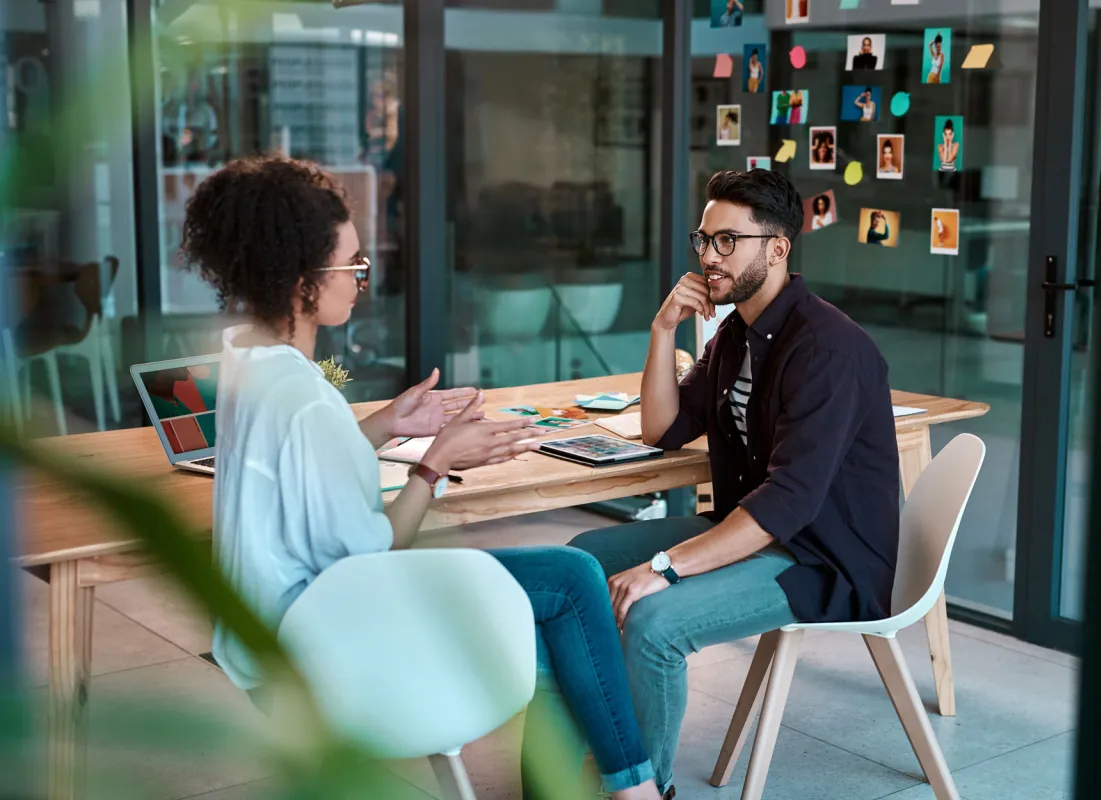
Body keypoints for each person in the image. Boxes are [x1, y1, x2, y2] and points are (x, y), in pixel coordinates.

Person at [182, 157, 663, 800]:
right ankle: (637, 791)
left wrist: (384, 426)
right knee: (573, 581)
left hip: (266, 638)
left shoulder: (249, 369)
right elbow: (378, 550)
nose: (362, 280)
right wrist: (437, 463)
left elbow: (299, 477)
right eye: (351, 266)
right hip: (324, 641)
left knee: (555, 615)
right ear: (300, 280)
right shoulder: (305, 402)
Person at [568, 170, 900, 795]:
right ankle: (595, 755)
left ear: (777, 248)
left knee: (652, 623)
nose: (709, 257)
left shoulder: (827, 348)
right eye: (704, 240)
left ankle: (641, 787)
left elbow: (789, 503)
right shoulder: (737, 334)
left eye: (728, 241)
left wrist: (665, 567)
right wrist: (662, 330)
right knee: (578, 566)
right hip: (753, 529)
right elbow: (661, 428)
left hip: (820, 558)